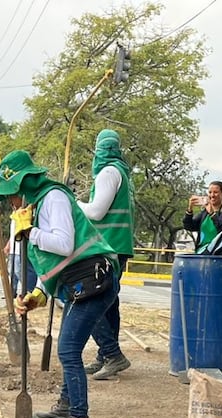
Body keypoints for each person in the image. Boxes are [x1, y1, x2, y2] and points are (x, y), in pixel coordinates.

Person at [0, 149, 120, 418]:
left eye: (14, 194)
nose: (11, 201)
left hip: (95, 279)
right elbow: (52, 265)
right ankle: (65, 404)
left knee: (68, 349)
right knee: (69, 345)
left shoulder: (53, 199)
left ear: (26, 185)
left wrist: (30, 232)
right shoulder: (35, 206)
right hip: (78, 283)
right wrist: (38, 294)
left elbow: (64, 244)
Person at [77, 128, 135, 380]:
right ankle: (105, 356)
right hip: (116, 247)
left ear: (99, 149)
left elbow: (96, 212)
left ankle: (112, 354)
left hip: (106, 248)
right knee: (110, 302)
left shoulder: (108, 173)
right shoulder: (121, 172)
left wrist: (74, 204)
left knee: (93, 301)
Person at [182, 180, 222, 251]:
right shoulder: (204, 213)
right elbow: (189, 226)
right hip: (202, 254)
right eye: (210, 192)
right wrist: (190, 209)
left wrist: (212, 214)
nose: (212, 195)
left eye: (216, 192)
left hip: (220, 256)